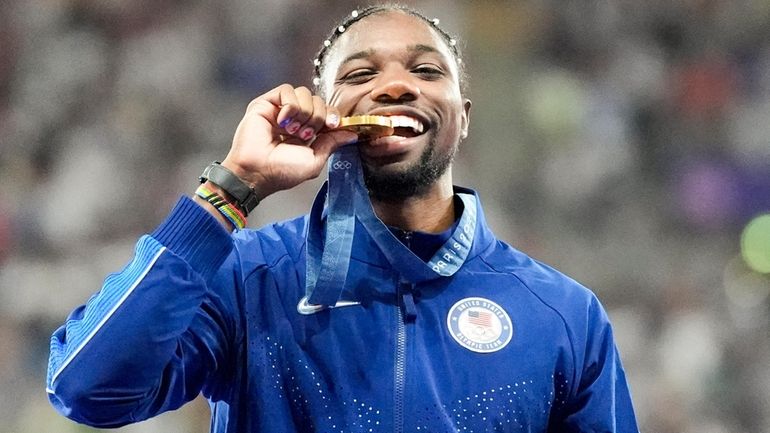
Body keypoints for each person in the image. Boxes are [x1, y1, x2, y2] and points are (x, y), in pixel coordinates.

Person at [46, 4, 639, 432]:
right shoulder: (249, 278)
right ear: (325, 116)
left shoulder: (564, 314)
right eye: (360, 75)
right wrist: (233, 186)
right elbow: (88, 391)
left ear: (463, 115)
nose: (395, 87)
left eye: (426, 71)